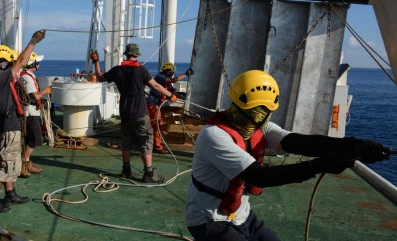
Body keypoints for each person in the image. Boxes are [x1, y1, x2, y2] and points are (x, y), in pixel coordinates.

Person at [185, 70, 391, 241]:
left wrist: (353, 145)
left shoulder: (261, 127)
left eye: (265, 110)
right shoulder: (213, 135)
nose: (262, 115)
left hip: (241, 215)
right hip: (207, 218)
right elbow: (258, 176)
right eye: (258, 110)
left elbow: (299, 142)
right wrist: (316, 166)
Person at [90, 43, 177, 183]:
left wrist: (95, 61)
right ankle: (149, 174)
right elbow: (155, 85)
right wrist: (170, 95)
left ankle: (126, 171)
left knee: (126, 141)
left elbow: (100, 77)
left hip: (124, 112)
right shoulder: (141, 70)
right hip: (140, 113)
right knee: (146, 140)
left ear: (126, 54)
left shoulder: (117, 70)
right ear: (136, 55)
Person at [0, 30, 46, 213]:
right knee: (4, 165)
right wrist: (33, 41)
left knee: (9, 161)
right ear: (4, 63)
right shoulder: (3, 78)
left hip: (1, 127)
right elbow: (20, 62)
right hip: (9, 128)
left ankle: (10, 193)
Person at [146, 62, 194, 154]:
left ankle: (155, 144)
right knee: (157, 126)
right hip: (153, 105)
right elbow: (174, 80)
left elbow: (173, 92)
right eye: (171, 72)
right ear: (167, 71)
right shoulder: (160, 77)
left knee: (158, 125)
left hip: (157, 105)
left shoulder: (167, 82)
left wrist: (183, 97)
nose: (172, 74)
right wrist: (186, 74)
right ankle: (157, 147)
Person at [19, 51, 51, 178]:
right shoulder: (28, 78)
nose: (39, 64)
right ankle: (23, 163)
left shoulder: (24, 76)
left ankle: (27, 163)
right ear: (34, 64)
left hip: (29, 111)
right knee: (35, 139)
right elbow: (35, 95)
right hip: (30, 113)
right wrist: (46, 91)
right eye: (37, 62)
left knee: (28, 139)